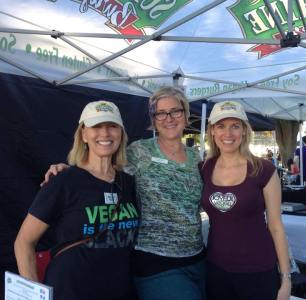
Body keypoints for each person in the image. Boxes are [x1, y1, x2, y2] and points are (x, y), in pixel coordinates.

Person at [41, 87, 206, 300]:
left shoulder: (197, 159)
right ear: (154, 120)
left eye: (175, 111)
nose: (169, 118)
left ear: (185, 115)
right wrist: (66, 169)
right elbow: (100, 162)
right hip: (154, 261)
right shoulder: (138, 152)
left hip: (197, 258)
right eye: (161, 113)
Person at [14, 100, 139, 300]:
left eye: (112, 126)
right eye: (96, 126)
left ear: (121, 134)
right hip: (70, 290)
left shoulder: (129, 183)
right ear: (83, 134)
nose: (105, 134)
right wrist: (33, 295)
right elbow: (23, 242)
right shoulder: (63, 181)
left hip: (119, 290)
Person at [200, 101, 291, 300]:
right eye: (221, 126)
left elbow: (276, 226)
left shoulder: (264, 169)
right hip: (216, 270)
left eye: (235, 126)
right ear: (212, 132)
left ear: (244, 131)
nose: (228, 133)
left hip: (257, 270)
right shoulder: (204, 169)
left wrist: (286, 278)